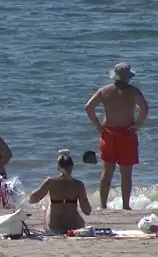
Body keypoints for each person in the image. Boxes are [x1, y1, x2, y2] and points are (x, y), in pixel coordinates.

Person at [85, 63, 149, 210]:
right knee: (126, 174)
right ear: (128, 78)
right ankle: (125, 206)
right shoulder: (133, 92)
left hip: (108, 133)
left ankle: (103, 206)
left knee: (107, 172)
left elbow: (89, 107)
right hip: (127, 133)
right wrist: (138, 125)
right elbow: (144, 108)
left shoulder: (105, 91)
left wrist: (97, 127)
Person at [29, 150, 92, 233]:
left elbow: (32, 199)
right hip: (74, 226)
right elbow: (87, 211)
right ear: (72, 167)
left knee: (49, 206)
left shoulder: (50, 182)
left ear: (58, 167)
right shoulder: (78, 184)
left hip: (55, 227)